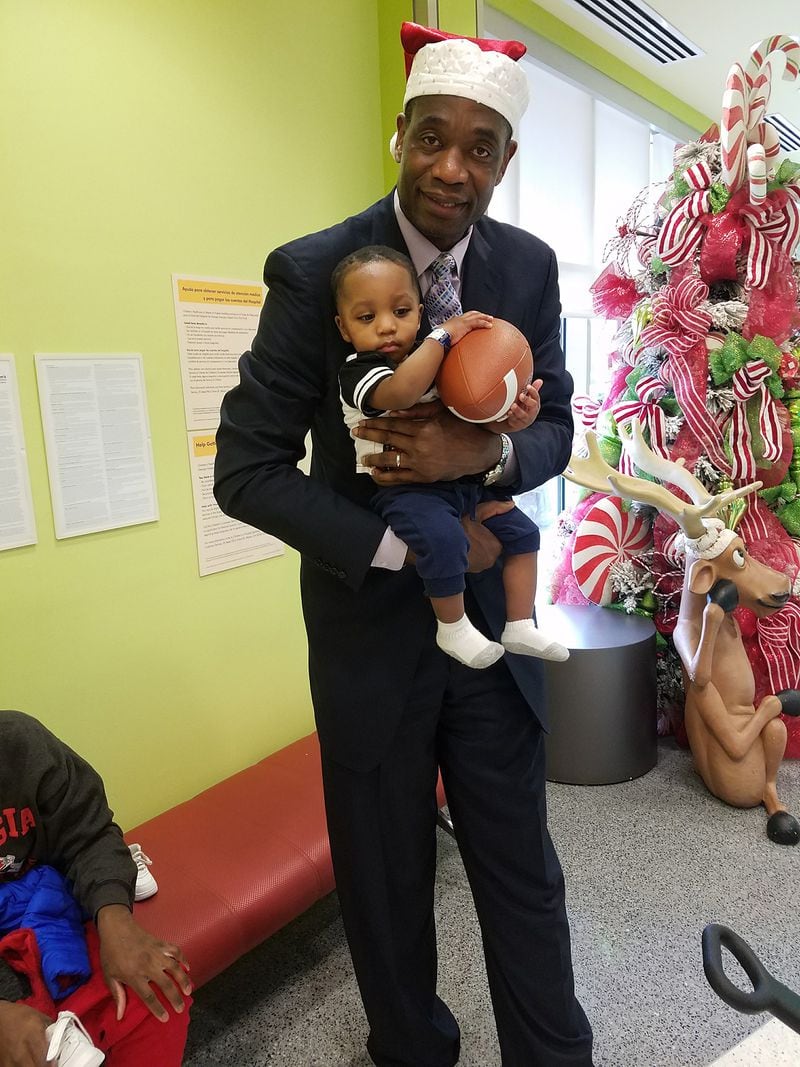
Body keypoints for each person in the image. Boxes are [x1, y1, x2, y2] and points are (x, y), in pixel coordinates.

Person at [215, 20, 593, 1067]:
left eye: (479, 147)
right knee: (383, 890)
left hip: (489, 636)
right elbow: (243, 470)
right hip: (371, 641)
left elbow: (556, 421)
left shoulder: (522, 266)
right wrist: (406, 551)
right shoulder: (314, 271)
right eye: (432, 138)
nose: (451, 167)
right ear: (399, 133)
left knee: (522, 867)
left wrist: (474, 470)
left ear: (505, 161)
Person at [335, 244, 569, 668]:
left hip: (461, 485)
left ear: (419, 310)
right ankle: (453, 627)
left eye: (401, 312)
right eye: (367, 318)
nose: (387, 327)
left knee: (523, 533)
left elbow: (470, 421)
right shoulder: (360, 369)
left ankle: (519, 625)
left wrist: (513, 419)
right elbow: (402, 391)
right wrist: (443, 336)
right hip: (405, 491)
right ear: (344, 327)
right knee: (442, 542)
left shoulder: (428, 361)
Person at [0, 710, 192, 1067]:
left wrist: (115, 921)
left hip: (43, 910)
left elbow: (88, 834)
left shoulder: (18, 742)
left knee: (153, 990)